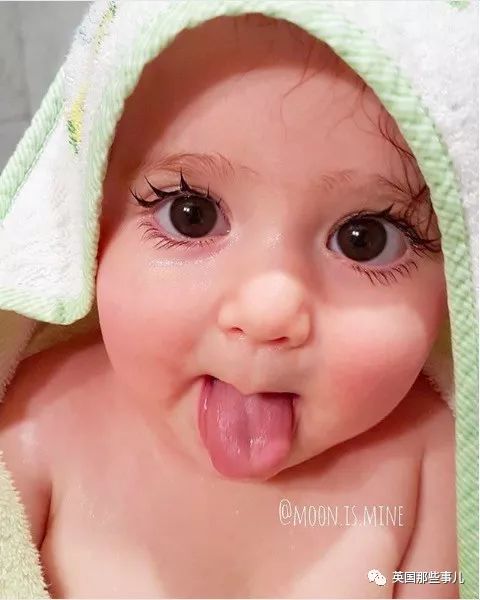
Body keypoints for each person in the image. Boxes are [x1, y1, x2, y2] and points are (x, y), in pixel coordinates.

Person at [0, 12, 458, 599]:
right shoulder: (38, 425)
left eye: (364, 239)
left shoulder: (433, 465)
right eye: (191, 214)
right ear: (90, 218)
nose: (268, 312)